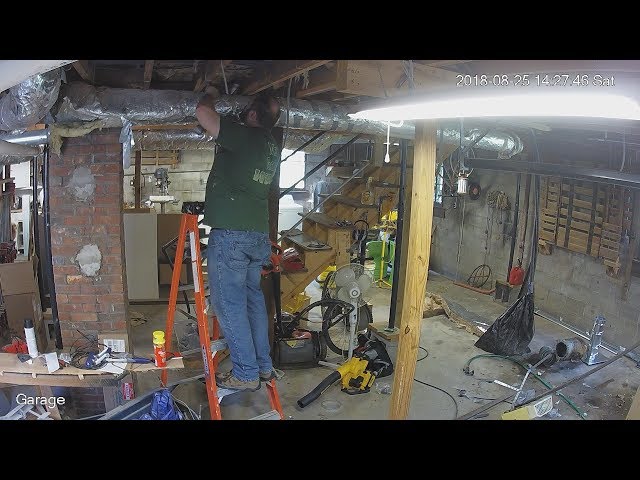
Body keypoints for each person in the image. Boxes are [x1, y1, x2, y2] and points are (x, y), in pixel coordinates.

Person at [195, 92, 281, 391]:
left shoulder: (245, 136)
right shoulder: (270, 145)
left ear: (254, 117)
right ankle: (263, 367)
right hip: (256, 234)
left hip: (232, 235)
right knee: (252, 302)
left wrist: (211, 93)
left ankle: (245, 373)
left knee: (228, 305)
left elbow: (202, 112)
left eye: (246, 113)